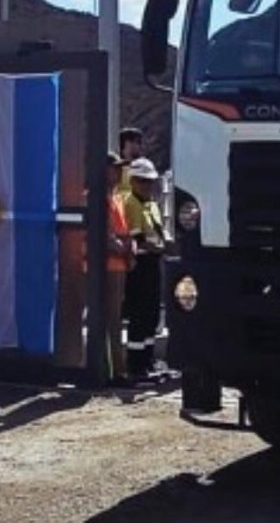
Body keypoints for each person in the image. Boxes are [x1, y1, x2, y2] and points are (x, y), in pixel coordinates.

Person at [84, 153, 135, 386]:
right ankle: (112, 371)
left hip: (117, 265)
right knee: (108, 320)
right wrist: (125, 250)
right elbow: (104, 236)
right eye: (115, 168)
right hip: (104, 266)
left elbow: (123, 231)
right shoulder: (95, 198)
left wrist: (130, 248)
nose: (119, 172)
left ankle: (115, 369)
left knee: (114, 319)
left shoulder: (115, 197)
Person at [123, 156, 171, 384]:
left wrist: (165, 245)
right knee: (139, 314)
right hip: (140, 265)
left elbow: (158, 232)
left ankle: (149, 359)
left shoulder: (151, 204)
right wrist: (158, 247)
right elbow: (138, 239)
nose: (147, 186)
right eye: (142, 181)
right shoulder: (131, 203)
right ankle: (136, 364)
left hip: (154, 263)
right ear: (132, 181)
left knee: (152, 313)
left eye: (150, 181)